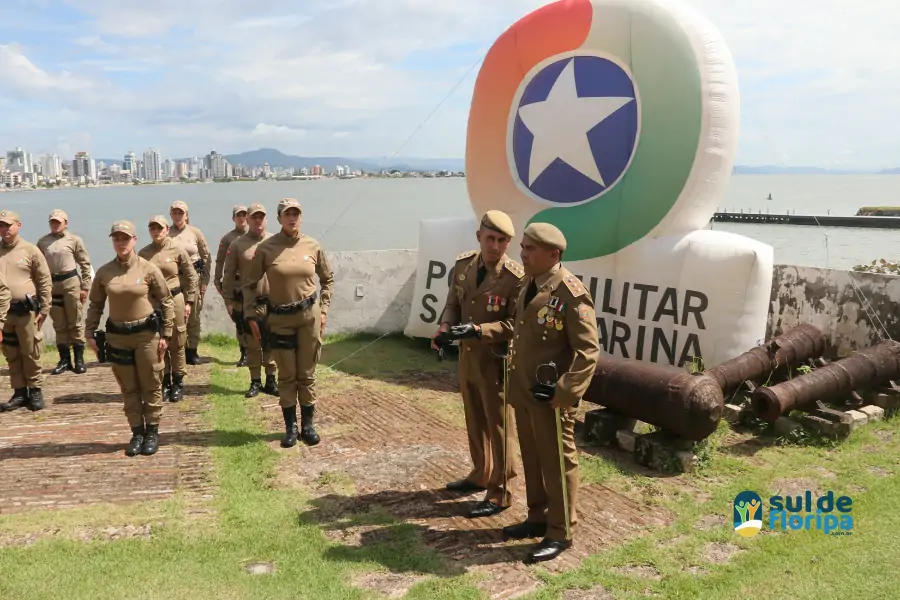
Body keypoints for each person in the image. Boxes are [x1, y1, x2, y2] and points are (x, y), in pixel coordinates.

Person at [501, 223, 600, 565]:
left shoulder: (571, 294)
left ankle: (561, 530)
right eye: (524, 247)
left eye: (529, 248)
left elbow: (589, 352)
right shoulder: (529, 282)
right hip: (526, 392)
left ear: (553, 254)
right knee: (532, 457)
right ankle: (537, 516)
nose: (522, 253)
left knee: (558, 462)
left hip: (551, 399)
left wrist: (565, 392)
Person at [432, 210, 525, 519]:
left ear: (508, 243)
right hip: (468, 358)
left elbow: (515, 324)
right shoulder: (463, 266)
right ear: (479, 237)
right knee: (474, 418)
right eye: (490, 238)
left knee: (499, 427)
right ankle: (481, 473)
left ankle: (501, 492)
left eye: (501, 241)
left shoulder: (515, 278)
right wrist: (446, 328)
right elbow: (453, 304)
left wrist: (479, 331)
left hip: (496, 361)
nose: (495, 246)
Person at [242, 198, 334, 448]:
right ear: (279, 218)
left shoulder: (312, 246)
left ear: (301, 217)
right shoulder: (267, 248)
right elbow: (249, 283)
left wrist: (323, 310)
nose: (292, 218)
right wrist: (252, 314)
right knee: (287, 374)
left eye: (296, 213)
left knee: (307, 373)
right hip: (280, 319)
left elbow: (328, 279)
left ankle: (308, 425)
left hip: (308, 318)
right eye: (287, 214)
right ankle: (290, 428)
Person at [86, 220, 175, 457]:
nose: (121, 243)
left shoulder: (148, 269)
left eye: (125, 238)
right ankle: (137, 433)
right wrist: (90, 333)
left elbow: (166, 301)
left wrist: (166, 333)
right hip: (118, 338)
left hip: (146, 336)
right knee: (129, 388)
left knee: (151, 384)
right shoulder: (105, 272)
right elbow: (95, 304)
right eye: (117, 238)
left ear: (134, 240)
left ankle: (153, 432)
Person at [139, 215, 200, 403]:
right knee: (159, 342)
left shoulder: (177, 250)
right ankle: (165, 382)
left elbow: (191, 276)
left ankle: (178, 382)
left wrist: (190, 301)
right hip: (154, 303)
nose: (157, 232)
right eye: (153, 228)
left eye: (160, 228)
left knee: (177, 341)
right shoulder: (143, 253)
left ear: (167, 229)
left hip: (176, 299)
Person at [222, 202, 278, 398]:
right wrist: (228, 300)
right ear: (248, 219)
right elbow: (228, 274)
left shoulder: (274, 241)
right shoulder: (238, 244)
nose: (257, 220)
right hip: (249, 302)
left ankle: (271, 380)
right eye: (254, 217)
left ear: (266, 219)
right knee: (252, 343)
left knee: (271, 342)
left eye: (261, 217)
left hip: (272, 301)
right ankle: (255, 381)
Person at [0, 210, 52, 412]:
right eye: (1, 226)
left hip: (26, 312)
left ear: (18, 225)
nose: (4, 229)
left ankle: (35, 390)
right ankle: (20, 391)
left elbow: (44, 280)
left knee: (31, 352)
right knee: (11, 354)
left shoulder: (30, 250)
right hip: (4, 314)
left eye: (8, 225)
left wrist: (45, 307)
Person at [37, 209, 93, 376]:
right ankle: (64, 360)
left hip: (71, 282)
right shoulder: (42, 242)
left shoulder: (74, 240)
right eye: (52, 222)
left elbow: (85, 264)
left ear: (65, 223)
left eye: (58, 222)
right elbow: (37, 266)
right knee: (59, 324)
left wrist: (85, 287)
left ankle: (79, 360)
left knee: (75, 321)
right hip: (52, 284)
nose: (55, 225)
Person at [168, 200, 211, 365]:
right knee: (175, 315)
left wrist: (205, 280)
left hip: (194, 278)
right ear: (171, 214)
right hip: (174, 279)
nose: (178, 216)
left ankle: (191, 350)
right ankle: (177, 348)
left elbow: (206, 258)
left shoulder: (195, 232)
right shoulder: (166, 232)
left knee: (193, 315)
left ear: (187, 214)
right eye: (175, 213)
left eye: (181, 213)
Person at [214, 205, 248, 366]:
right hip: (235, 284)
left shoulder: (255, 236)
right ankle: (244, 353)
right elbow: (220, 260)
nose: (242, 218)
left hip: (253, 285)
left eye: (244, 215)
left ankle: (260, 353)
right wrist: (217, 279)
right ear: (233, 218)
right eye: (238, 215)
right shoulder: (228, 239)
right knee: (239, 320)